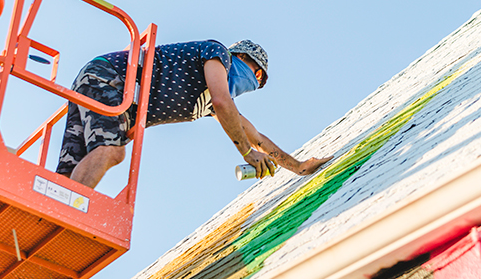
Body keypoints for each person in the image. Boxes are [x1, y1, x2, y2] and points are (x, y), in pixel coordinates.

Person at [57, 39, 333, 188]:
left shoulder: (208, 104)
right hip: (113, 78)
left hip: (104, 83)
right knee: (110, 151)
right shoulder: (218, 54)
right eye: (257, 77)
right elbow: (224, 102)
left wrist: (296, 166)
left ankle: (57, 206)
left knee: (71, 169)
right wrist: (247, 154)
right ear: (246, 61)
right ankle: (68, 213)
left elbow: (256, 136)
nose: (254, 84)